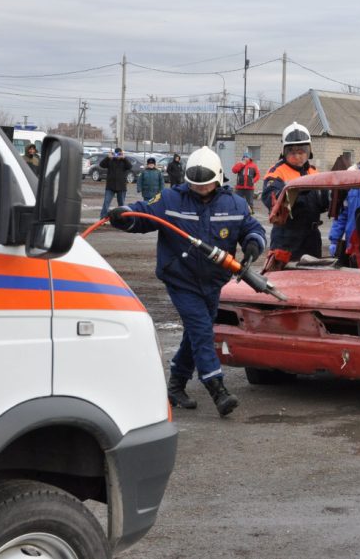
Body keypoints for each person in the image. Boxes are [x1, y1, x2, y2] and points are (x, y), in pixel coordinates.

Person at [107, 146, 265, 417]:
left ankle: (176, 385)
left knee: (195, 333)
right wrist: (123, 216)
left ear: (219, 179)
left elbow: (252, 229)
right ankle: (217, 388)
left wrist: (252, 246)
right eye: (194, 185)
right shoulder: (171, 199)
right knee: (202, 330)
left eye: (206, 185)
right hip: (180, 278)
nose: (200, 189)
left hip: (214, 280)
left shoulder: (236, 204)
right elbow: (143, 213)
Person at [261, 122, 328, 260]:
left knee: (312, 277)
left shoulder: (313, 171)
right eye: (292, 152)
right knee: (283, 279)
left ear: (308, 151)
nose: (297, 156)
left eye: (301, 152)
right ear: (284, 152)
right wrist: (296, 191)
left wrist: (335, 196)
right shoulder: (276, 172)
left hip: (312, 236)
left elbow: (322, 203)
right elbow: (270, 197)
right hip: (286, 236)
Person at [98, 148, 130, 218]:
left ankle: (122, 218)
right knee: (106, 203)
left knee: (121, 204)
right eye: (116, 154)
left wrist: (124, 158)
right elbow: (101, 165)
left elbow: (130, 166)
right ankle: (103, 218)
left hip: (121, 187)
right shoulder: (110, 160)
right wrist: (107, 157)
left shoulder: (124, 161)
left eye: (119, 154)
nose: (117, 155)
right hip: (110, 186)